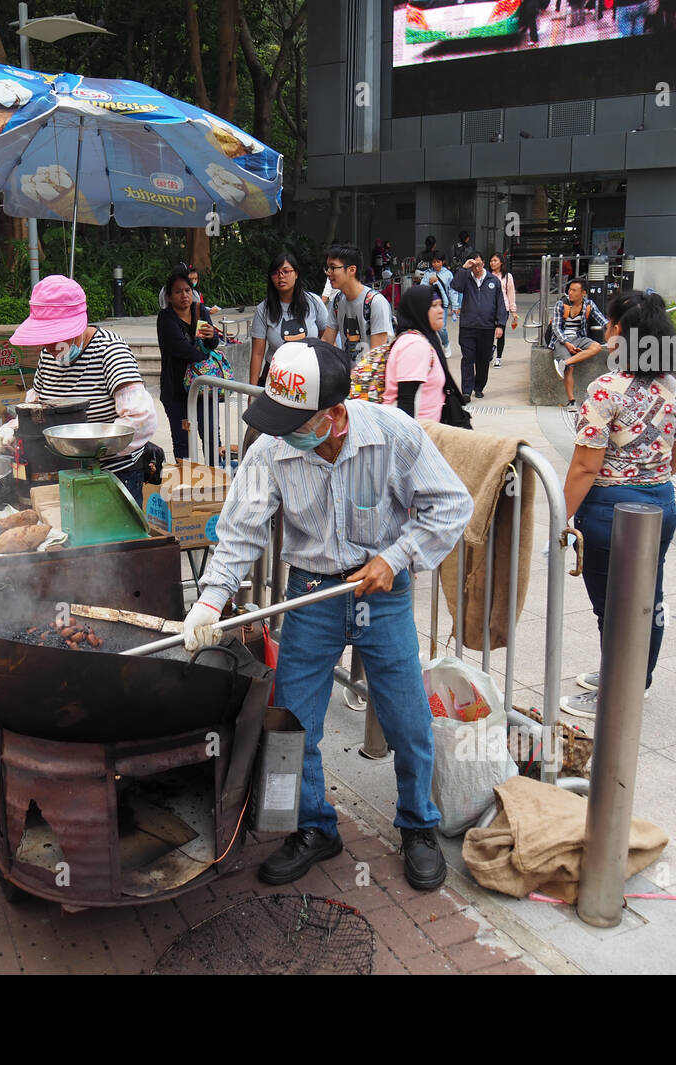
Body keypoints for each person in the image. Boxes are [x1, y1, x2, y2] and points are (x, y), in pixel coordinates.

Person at [183, 339, 472, 890]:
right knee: (292, 722)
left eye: (297, 422)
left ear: (335, 415)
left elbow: (452, 504)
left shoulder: (391, 435)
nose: (282, 433)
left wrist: (397, 556)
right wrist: (208, 601)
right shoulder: (271, 451)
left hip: (381, 593)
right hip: (311, 591)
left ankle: (417, 825)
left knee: (408, 721)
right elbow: (240, 529)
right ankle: (315, 826)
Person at [560, 290, 676, 717]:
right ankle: (637, 679)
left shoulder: (604, 390)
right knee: (647, 597)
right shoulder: (674, 387)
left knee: (612, 605)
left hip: (608, 511)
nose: (604, 330)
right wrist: (648, 479)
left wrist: (556, 516)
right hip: (660, 503)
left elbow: (584, 466)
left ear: (619, 331)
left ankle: (619, 690)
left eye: (610, 324)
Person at [0, 275, 156, 505]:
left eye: (57, 336)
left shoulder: (110, 351)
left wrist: (84, 447)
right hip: (62, 475)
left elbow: (142, 420)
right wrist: (12, 429)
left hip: (112, 477)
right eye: (45, 339)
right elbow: (38, 407)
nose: (49, 346)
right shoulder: (49, 355)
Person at [157, 268, 220, 462]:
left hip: (203, 389)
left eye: (187, 290)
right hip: (176, 392)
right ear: (169, 296)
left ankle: (216, 478)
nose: (184, 295)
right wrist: (203, 357)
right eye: (178, 291)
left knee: (211, 437)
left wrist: (213, 336)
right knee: (183, 440)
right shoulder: (166, 318)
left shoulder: (200, 310)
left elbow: (213, 343)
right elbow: (182, 350)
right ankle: (186, 483)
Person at [249, 251, 331, 389]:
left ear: (296, 274)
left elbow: (328, 340)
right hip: (276, 377)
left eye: (286, 271)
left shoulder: (314, 302)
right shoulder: (264, 309)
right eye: (276, 273)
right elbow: (257, 353)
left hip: (311, 375)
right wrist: (252, 390)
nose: (281, 277)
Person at [383, 284, 448, 422]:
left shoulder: (419, 340)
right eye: (434, 305)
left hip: (426, 431)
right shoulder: (415, 344)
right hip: (418, 434)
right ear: (419, 310)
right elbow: (406, 402)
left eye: (441, 305)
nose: (440, 310)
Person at [320, 243, 393, 362]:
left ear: (351, 270)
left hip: (370, 378)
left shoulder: (376, 302)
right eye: (327, 268)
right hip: (348, 378)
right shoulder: (338, 301)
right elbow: (326, 342)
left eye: (333, 267)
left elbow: (377, 358)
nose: (328, 272)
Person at [450, 254, 507, 400]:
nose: (477, 268)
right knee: (468, 358)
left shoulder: (493, 281)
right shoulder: (466, 279)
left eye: (479, 264)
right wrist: (464, 269)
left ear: (483, 263)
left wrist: (500, 324)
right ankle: (466, 391)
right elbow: (455, 286)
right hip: (468, 326)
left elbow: (500, 304)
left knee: (483, 359)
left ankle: (479, 386)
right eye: (473, 265)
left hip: (486, 327)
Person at [549, 277, 608, 410]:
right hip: (561, 339)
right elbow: (556, 328)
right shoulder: (561, 304)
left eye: (574, 290)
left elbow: (602, 320)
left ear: (583, 293)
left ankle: (565, 363)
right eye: (570, 290)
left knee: (596, 347)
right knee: (570, 369)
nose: (570, 293)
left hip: (579, 338)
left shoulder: (588, 304)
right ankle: (571, 401)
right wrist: (567, 343)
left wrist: (615, 329)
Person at [420, 250, 459, 347]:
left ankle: (446, 344)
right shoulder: (428, 273)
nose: (436, 264)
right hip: (429, 303)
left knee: (441, 328)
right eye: (434, 262)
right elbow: (421, 288)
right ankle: (431, 347)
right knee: (429, 327)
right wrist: (429, 283)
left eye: (438, 261)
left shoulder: (448, 274)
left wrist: (455, 306)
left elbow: (452, 290)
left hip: (443, 304)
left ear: (443, 262)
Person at [489, 253, 519, 368]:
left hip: (503, 309)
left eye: (495, 260)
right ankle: (490, 349)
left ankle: (498, 358)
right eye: (491, 261)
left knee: (500, 333)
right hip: (489, 309)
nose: (492, 263)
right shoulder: (487, 275)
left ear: (501, 262)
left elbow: (511, 294)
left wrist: (513, 310)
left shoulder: (507, 277)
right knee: (488, 333)